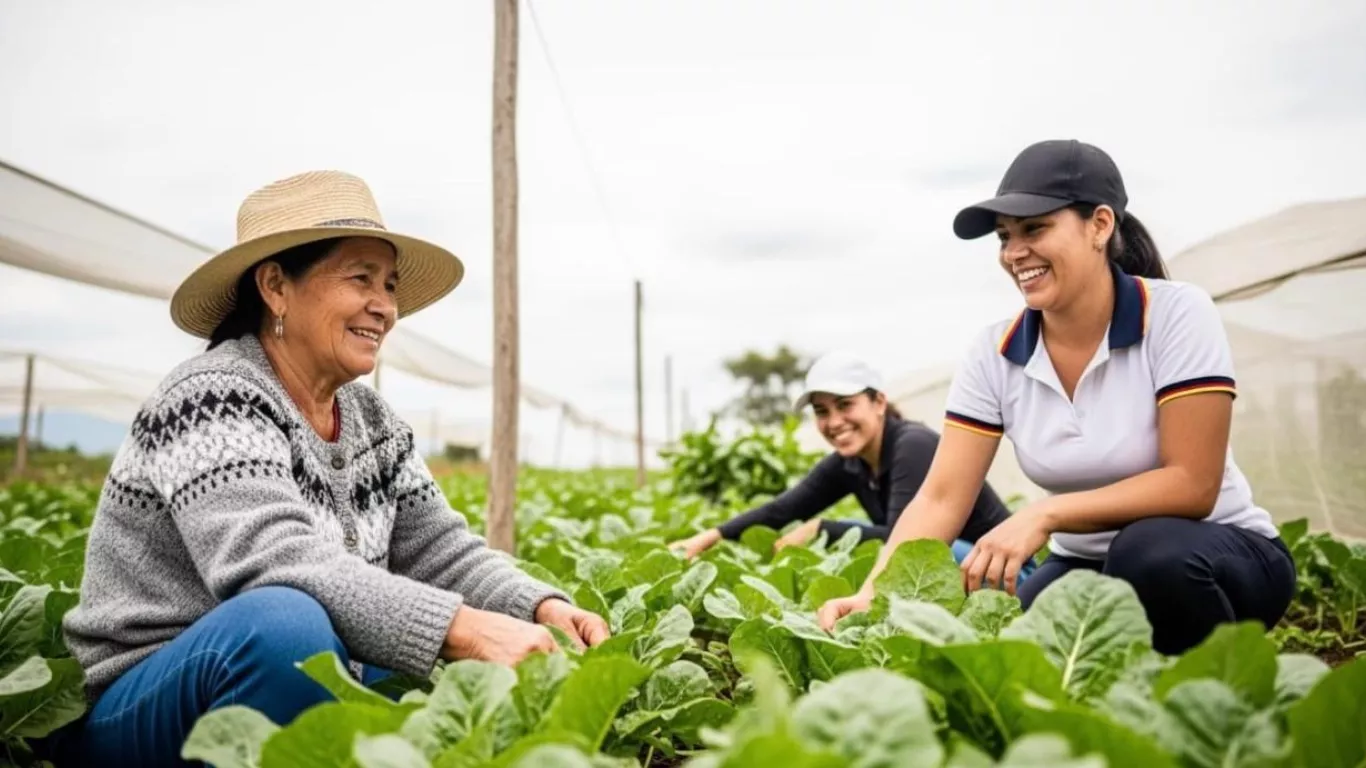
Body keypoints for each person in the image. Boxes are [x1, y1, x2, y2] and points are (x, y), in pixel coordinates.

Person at [53, 171, 611, 766]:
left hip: (298, 676)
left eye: (390, 285)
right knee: (285, 626)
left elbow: (440, 551)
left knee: (408, 674)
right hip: (148, 697)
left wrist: (538, 607)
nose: (385, 307)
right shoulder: (209, 396)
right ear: (275, 286)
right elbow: (273, 558)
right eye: (360, 278)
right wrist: (466, 629)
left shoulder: (374, 422)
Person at [817, 140, 1296, 655]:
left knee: (1148, 554)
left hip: (1218, 555)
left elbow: (1192, 484)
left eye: (1034, 229)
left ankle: (1214, 688)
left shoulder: (1176, 314)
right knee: (1017, 652)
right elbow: (940, 498)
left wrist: (1044, 515)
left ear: (1100, 225)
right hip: (1085, 567)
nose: (1013, 252)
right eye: (1005, 236)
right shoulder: (994, 353)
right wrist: (872, 593)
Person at [668, 351, 1031, 581]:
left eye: (845, 405)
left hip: (1007, 571)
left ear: (879, 403)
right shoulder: (849, 463)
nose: (834, 422)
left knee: (883, 544)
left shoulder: (913, 445)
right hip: (958, 566)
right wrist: (707, 538)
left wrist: (822, 528)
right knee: (863, 538)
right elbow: (783, 509)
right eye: (821, 411)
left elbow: (908, 542)